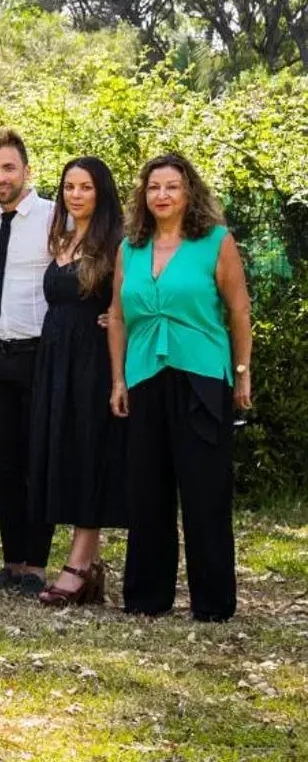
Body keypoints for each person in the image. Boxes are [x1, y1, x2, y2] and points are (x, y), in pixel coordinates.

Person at [111, 153, 253, 622]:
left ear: (188, 192)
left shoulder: (215, 242)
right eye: (153, 188)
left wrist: (243, 372)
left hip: (202, 378)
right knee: (147, 490)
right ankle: (147, 598)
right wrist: (117, 378)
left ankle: (212, 604)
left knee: (204, 492)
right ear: (143, 195)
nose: (162, 195)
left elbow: (238, 310)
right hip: (144, 376)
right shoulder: (130, 247)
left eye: (172, 186)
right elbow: (117, 315)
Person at [31, 157, 128, 607]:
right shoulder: (63, 238)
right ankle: (88, 564)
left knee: (89, 451)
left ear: (100, 192)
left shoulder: (117, 244)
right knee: (65, 451)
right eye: (69, 186)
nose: (75, 194)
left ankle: (80, 565)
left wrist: (117, 314)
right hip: (56, 360)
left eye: (85, 187)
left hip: (92, 361)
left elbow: (133, 298)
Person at [0, 128, 56, 594]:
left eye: (8, 167)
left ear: (26, 169)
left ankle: (38, 566)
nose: (0, 177)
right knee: (4, 463)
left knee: (36, 461)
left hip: (37, 355)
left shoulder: (53, 216)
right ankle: (13, 561)